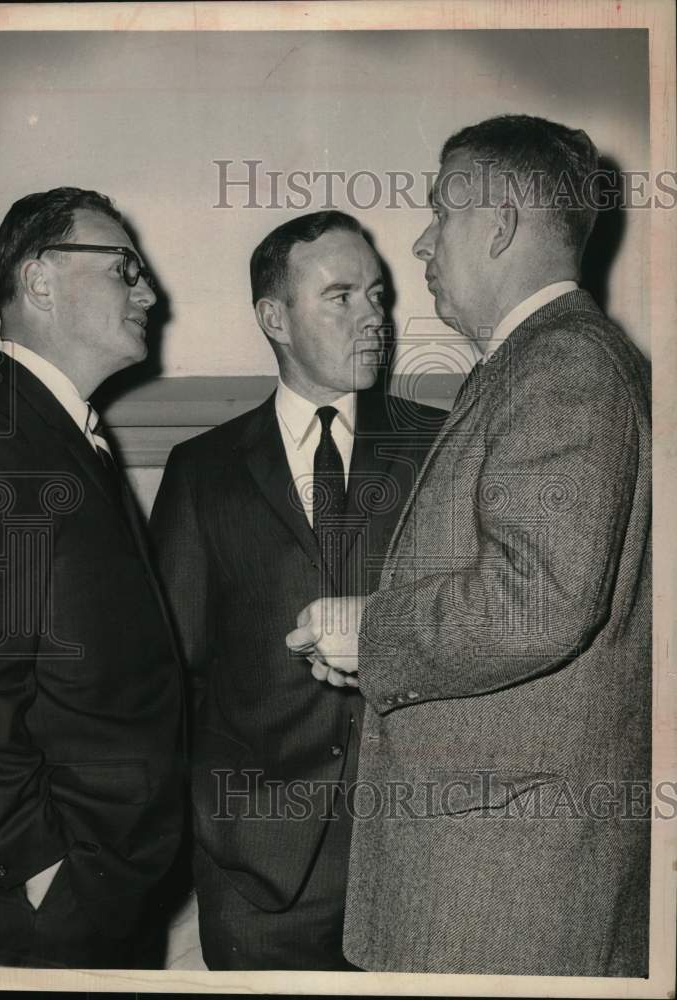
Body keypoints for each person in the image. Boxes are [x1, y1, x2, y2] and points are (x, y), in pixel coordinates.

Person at [287, 116, 652, 976]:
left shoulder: (563, 366)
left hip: (503, 890)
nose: (420, 241)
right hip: (506, 872)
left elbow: (536, 601)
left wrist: (372, 631)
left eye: (438, 213)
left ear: (496, 225)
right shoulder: (551, 360)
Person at [149, 210, 445, 970]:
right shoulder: (200, 470)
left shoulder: (440, 443)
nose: (371, 318)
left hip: (412, 856)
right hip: (255, 866)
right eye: (340, 297)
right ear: (273, 318)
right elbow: (170, 673)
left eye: (376, 296)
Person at [0, 187, 186, 969]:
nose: (150, 291)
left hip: (105, 880)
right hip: (49, 903)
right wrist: (38, 867)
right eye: (124, 267)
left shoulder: (59, 432)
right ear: (40, 280)